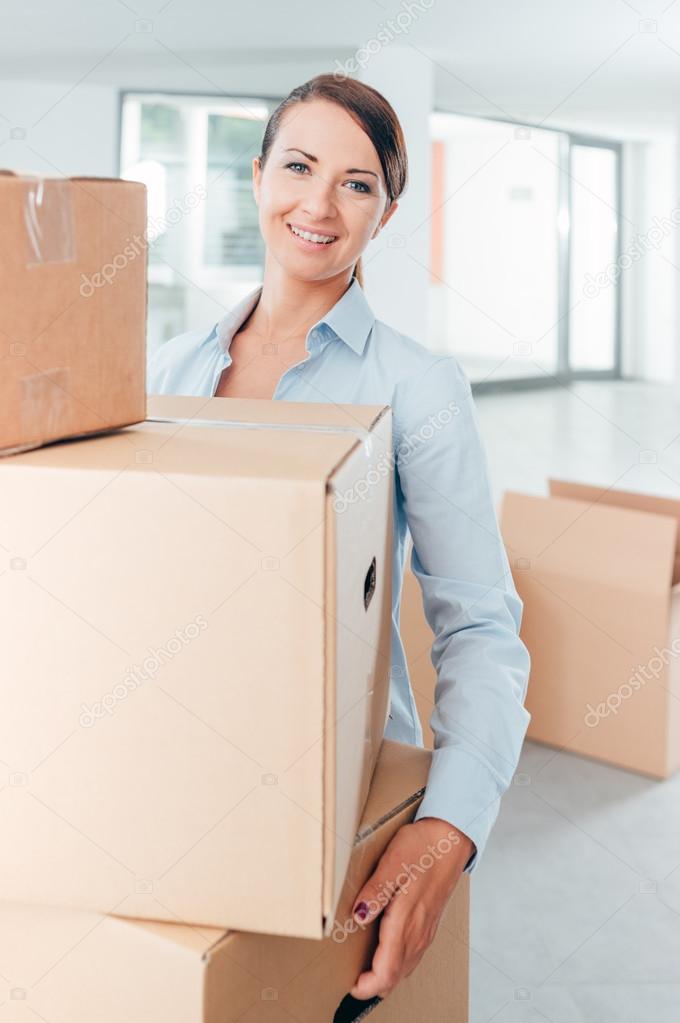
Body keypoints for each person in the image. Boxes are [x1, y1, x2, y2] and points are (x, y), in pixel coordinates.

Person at [148, 72, 531, 1000]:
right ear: (257, 176)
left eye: (357, 184)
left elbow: (480, 624)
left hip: (338, 792)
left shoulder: (417, 386)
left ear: (385, 214)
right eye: (300, 166)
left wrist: (450, 827)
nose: (319, 203)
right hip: (179, 766)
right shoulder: (172, 366)